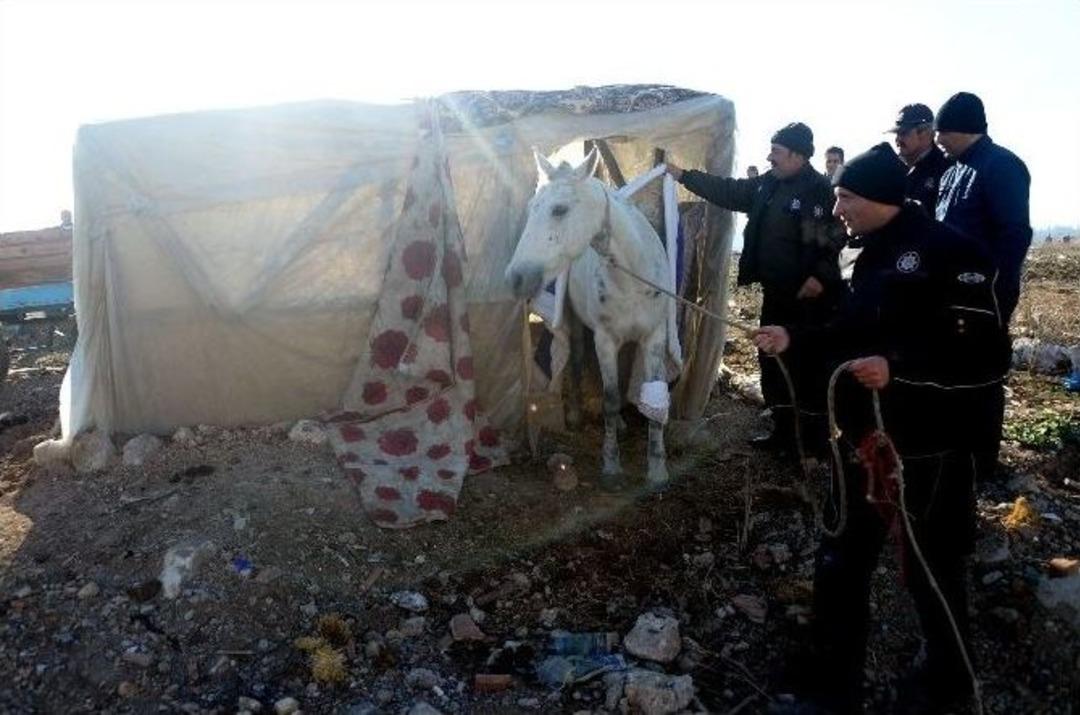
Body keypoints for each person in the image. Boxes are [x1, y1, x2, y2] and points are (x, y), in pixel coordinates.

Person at [757, 144, 1010, 715]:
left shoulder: (954, 254)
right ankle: (832, 680)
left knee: (931, 567)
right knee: (840, 559)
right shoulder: (864, 255)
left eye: (846, 196)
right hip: (861, 441)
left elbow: (986, 357)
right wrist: (793, 338)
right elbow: (847, 331)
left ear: (880, 198)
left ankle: (949, 682)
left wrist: (899, 368)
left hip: (928, 447)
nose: (837, 207)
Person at [666, 122, 846, 452]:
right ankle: (782, 429)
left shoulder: (820, 189)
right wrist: (683, 176)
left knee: (804, 365)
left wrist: (820, 276)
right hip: (776, 294)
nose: (769, 157)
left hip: (809, 302)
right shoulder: (768, 183)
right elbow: (730, 191)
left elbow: (837, 238)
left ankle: (812, 441)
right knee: (771, 358)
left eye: (776, 151)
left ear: (797, 155)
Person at [935, 91, 1032, 482]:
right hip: (950, 295)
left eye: (942, 132)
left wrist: (993, 289)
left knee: (983, 376)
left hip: (984, 295)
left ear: (963, 129)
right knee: (953, 373)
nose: (938, 140)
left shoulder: (1002, 166)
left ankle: (983, 463)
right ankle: (956, 454)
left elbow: (1014, 234)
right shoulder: (952, 171)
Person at [887, 103, 953, 216]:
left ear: (926, 132)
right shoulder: (891, 168)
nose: (898, 139)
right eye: (896, 133)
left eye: (903, 133)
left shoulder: (946, 168)